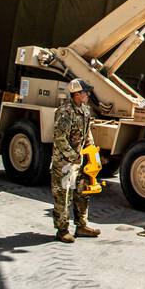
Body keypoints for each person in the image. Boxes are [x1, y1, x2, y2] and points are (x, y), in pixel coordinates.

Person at [52, 78, 99, 243]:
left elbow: (87, 133)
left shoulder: (85, 110)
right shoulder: (65, 112)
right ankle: (62, 230)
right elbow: (59, 138)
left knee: (82, 193)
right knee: (64, 195)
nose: (88, 94)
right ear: (77, 94)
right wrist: (74, 157)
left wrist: (91, 151)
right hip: (64, 162)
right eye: (86, 92)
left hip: (79, 161)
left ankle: (81, 226)